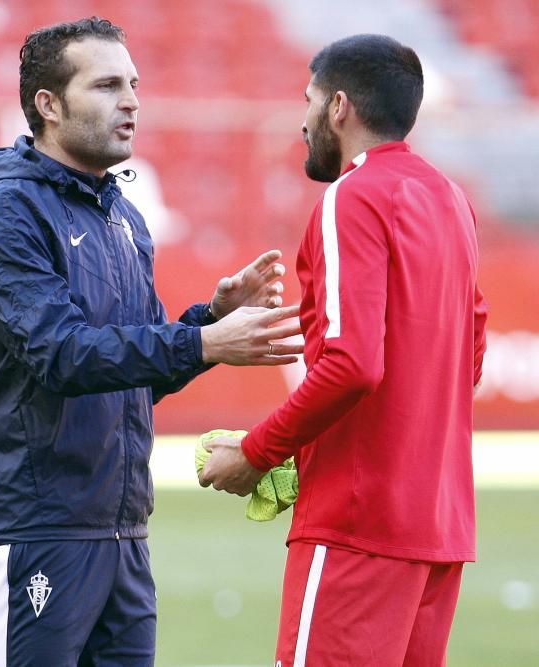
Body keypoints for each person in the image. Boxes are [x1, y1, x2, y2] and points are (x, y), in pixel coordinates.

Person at [0, 16, 304, 666]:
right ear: (47, 105)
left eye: (133, 84)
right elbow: (61, 353)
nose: (133, 100)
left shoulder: (122, 216)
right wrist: (206, 344)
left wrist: (204, 321)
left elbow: (134, 364)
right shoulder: (5, 213)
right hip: (34, 528)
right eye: (108, 85)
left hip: (122, 533)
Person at [199, 34, 489, 666]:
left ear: (337, 106)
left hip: (357, 528)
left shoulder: (350, 197)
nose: (301, 120)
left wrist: (257, 452)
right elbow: (469, 357)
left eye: (306, 101)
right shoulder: (452, 200)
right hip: (437, 530)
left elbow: (353, 363)